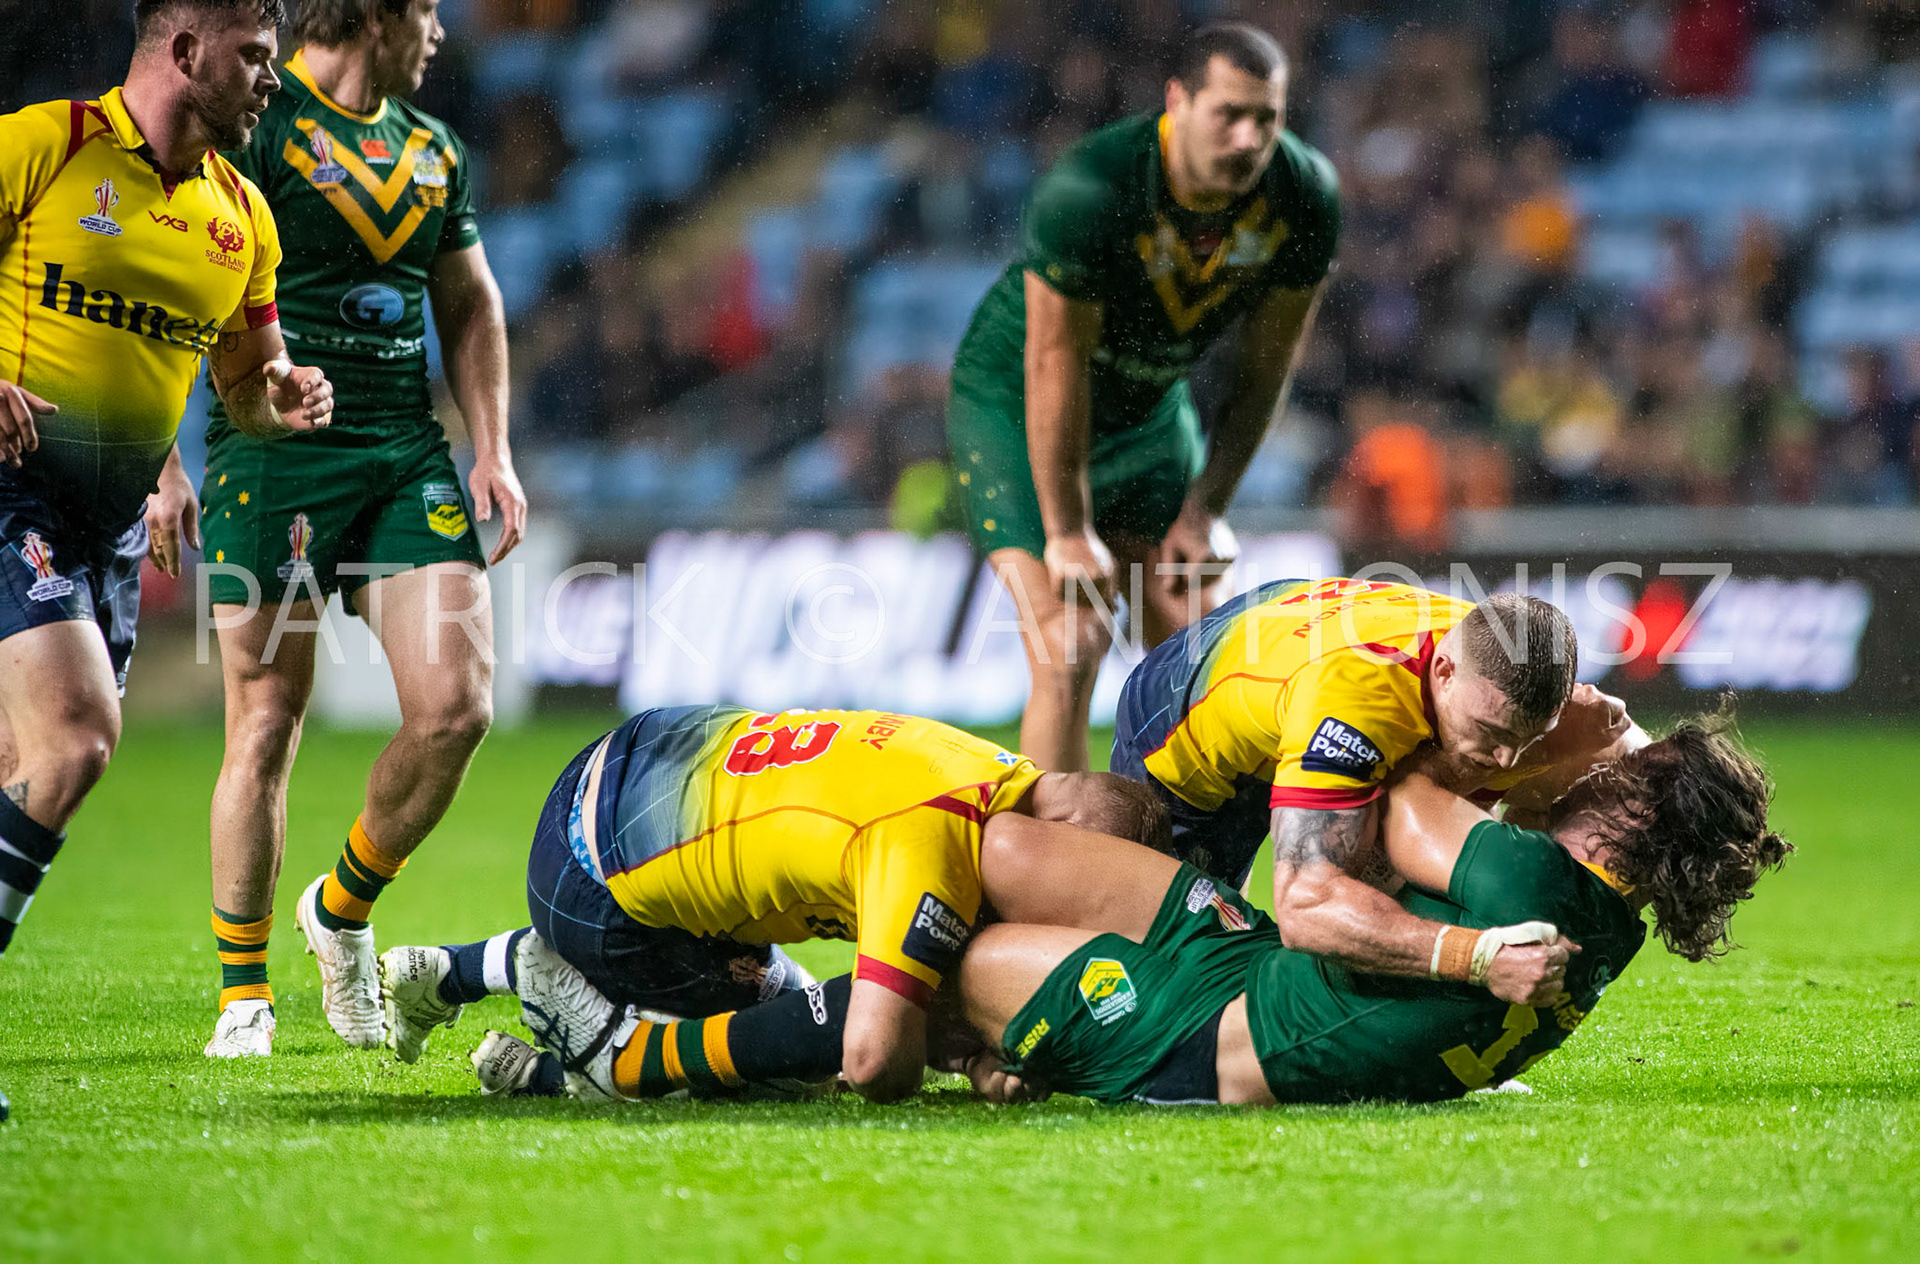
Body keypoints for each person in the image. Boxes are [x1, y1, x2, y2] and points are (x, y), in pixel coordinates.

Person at [0, 0, 333, 1119]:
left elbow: (244, 379)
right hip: (14, 490)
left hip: (111, 528)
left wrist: (282, 396)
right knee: (78, 735)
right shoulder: (43, 146)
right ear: (186, 52)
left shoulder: (243, 215)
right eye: (256, 58)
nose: (272, 81)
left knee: (22, 770)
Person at [195, 0, 526, 1058]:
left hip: (402, 451)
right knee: (266, 719)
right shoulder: (262, 123)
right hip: (272, 452)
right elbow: (180, 276)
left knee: (457, 708)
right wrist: (163, 462)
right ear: (376, 13)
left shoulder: (435, 150)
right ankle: (244, 995)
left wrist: (492, 448)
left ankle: (339, 908)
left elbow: (469, 303)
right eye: (426, 10)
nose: (439, 32)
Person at [957, 711, 1790, 1106]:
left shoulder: (1526, 880)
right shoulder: (1610, 924)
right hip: (1255, 965)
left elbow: (1396, 787)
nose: (1601, 764)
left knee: (958, 961)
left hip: (1201, 1045)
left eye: (1627, 763)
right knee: (1006, 850)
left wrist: (1545, 741)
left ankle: (947, 1047)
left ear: (1639, 809)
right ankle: (996, 1041)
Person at [377, 705, 1168, 1103]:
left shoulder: (992, 766)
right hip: (590, 882)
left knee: (860, 998)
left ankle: (462, 971)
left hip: (621, 761)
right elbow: (875, 1060)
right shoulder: (936, 846)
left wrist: (959, 1038)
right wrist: (968, 1041)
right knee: (806, 1048)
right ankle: (607, 1059)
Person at [945, 21, 1337, 775]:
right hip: (1017, 403)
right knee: (1070, 642)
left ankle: (1189, 840)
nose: (1249, 139)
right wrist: (1066, 530)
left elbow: (1267, 368)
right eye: (1229, 113)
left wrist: (1207, 507)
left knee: (1201, 639)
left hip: (1149, 409)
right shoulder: (1093, 186)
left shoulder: (1304, 194)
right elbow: (1055, 363)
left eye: (1267, 118)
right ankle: (1058, 845)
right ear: (1177, 101)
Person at [1111, 578, 1579, 1003]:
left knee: (1393, 850)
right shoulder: (1353, 706)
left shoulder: (1496, 661)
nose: (1509, 760)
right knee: (1182, 967)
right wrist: (1475, 957)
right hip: (1179, 703)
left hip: (1295, 628)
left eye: (1530, 738)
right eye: (1490, 732)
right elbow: (1306, 907)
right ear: (1443, 672)